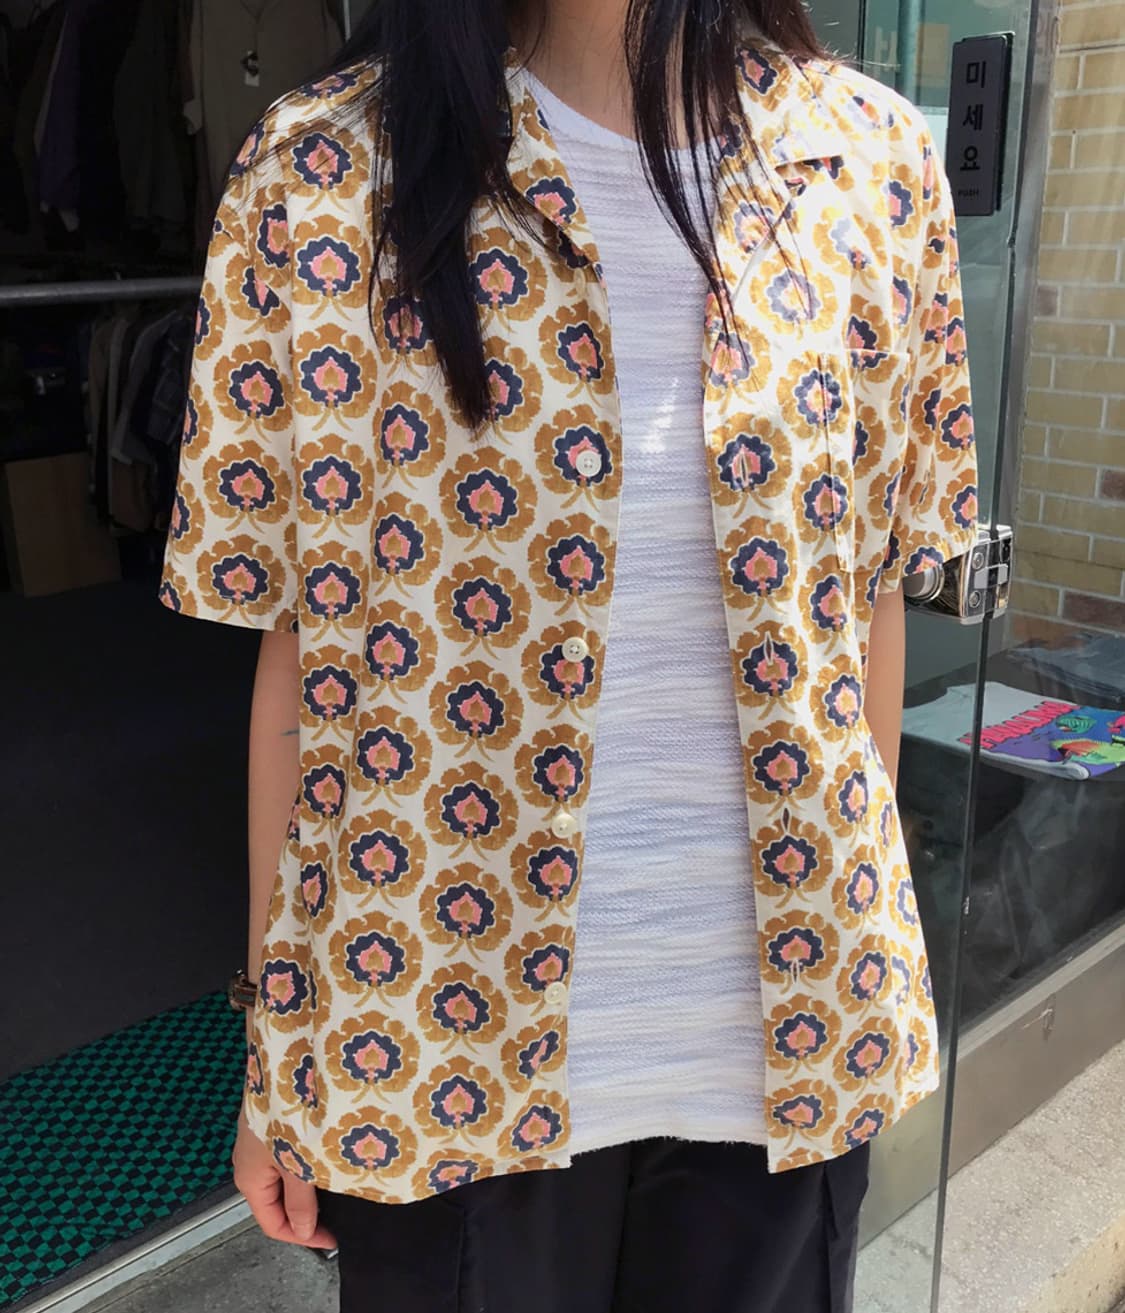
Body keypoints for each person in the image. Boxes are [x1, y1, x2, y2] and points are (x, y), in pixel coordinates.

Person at [158, 1, 979, 1309]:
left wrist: (853, 961)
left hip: (781, 1055)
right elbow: (302, 659)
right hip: (425, 1043)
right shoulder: (321, 174)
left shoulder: (868, 163)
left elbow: (867, 608)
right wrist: (278, 1050)